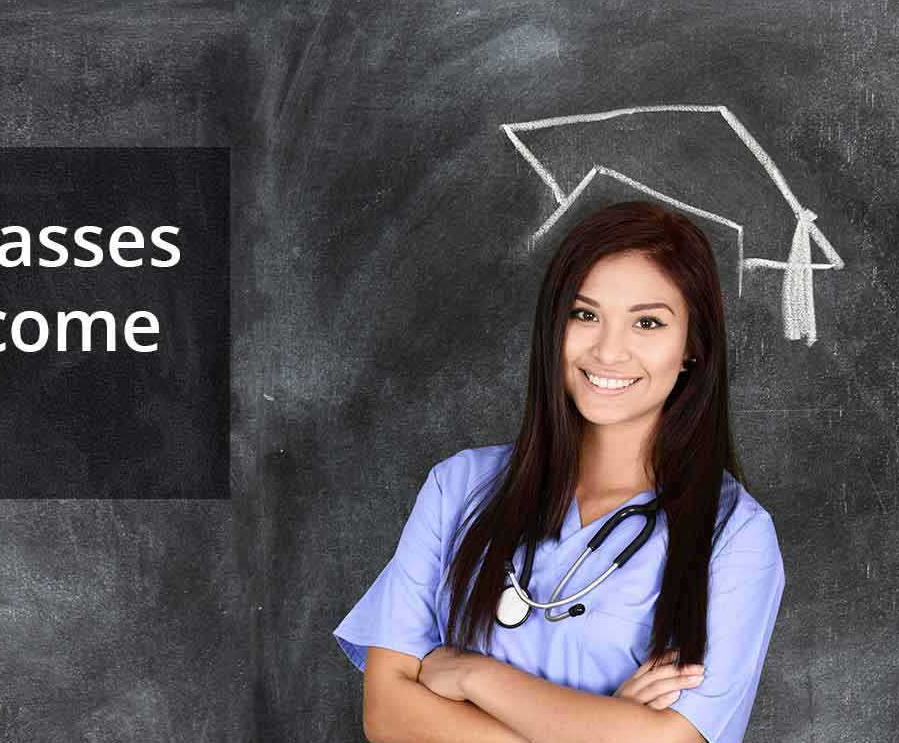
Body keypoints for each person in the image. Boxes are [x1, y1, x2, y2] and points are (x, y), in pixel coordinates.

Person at [332, 201, 786, 743]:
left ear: (691, 345)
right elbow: (388, 714)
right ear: (555, 325)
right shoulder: (458, 488)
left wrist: (474, 675)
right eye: (585, 314)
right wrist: (598, 727)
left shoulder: (735, 535)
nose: (609, 350)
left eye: (647, 322)